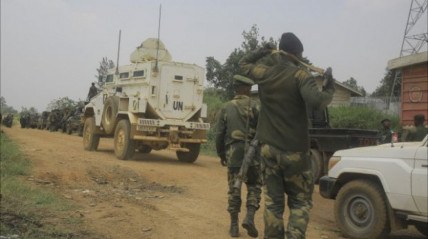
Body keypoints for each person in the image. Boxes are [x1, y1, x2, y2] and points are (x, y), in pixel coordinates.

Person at [239, 32, 335, 239]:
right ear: (298, 54)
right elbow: (318, 102)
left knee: (273, 203)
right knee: (300, 202)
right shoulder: (301, 76)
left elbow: (244, 63)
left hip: (268, 150)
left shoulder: (265, 73)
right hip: (295, 152)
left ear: (280, 53)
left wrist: (261, 51)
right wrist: (329, 85)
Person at [215, 75, 262, 238]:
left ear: (236, 89)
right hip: (253, 154)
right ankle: (249, 217)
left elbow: (220, 134)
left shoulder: (226, 107)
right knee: (254, 185)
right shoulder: (256, 107)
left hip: (233, 155)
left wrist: (221, 153)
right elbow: (264, 131)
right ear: (247, 89)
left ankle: (234, 226)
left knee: (234, 189)